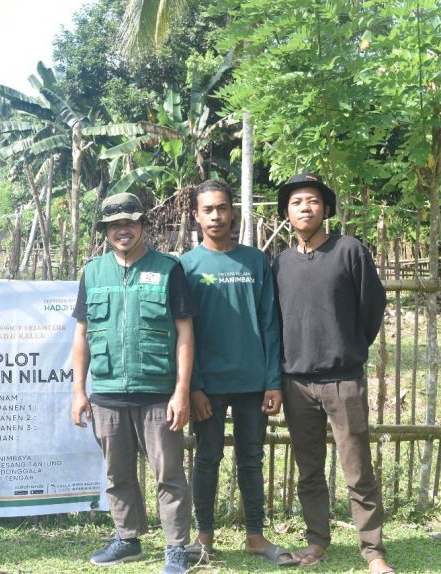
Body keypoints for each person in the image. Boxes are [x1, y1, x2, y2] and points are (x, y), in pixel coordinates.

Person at [273, 173, 393, 574]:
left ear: (325, 208)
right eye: (295, 202)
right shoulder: (280, 263)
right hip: (296, 383)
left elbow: (371, 308)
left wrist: (349, 348)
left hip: (343, 379)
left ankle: (372, 550)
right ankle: (316, 541)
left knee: (357, 468)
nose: (304, 208)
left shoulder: (350, 251)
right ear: (286, 213)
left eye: (312, 201)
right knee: (308, 470)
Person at [71, 192, 195, 573]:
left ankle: (176, 548)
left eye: (129, 222)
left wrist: (181, 390)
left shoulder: (168, 269)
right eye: (114, 225)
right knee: (117, 473)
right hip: (107, 393)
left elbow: (185, 333)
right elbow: (82, 335)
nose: (122, 230)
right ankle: (127, 539)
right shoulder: (92, 273)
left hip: (158, 392)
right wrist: (78, 390)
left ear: (142, 226)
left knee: (169, 474)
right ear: (106, 231)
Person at [179, 180, 298, 566]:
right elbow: (183, 333)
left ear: (234, 212)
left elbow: (269, 322)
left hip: (251, 383)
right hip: (208, 386)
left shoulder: (256, 260)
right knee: (206, 459)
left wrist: (272, 381)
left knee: (251, 459)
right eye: (208, 210)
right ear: (196, 216)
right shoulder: (186, 265)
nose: (216, 216)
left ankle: (256, 537)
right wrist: (194, 385)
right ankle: (204, 538)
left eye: (223, 208)